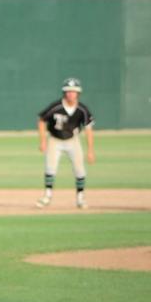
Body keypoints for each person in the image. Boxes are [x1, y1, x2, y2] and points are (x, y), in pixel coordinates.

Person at [36, 77, 95, 209]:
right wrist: (43, 141)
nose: (70, 94)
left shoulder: (82, 109)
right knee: (50, 168)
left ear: (78, 93)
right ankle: (47, 196)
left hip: (72, 140)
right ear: (64, 92)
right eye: (68, 91)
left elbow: (89, 129)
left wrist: (90, 150)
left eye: (73, 91)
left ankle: (80, 198)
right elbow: (41, 119)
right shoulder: (56, 106)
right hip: (54, 140)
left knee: (80, 170)